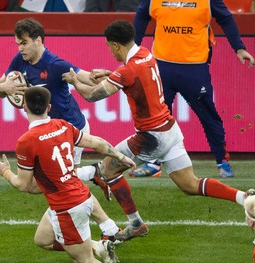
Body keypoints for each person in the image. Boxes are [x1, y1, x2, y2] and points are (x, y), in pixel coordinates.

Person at [63, 19, 253, 242]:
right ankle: (245, 198)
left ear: (115, 46)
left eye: (109, 46)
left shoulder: (127, 70)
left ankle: (135, 223)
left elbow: (93, 95)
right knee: (189, 184)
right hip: (170, 129)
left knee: (108, 169)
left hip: (150, 137)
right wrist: (108, 75)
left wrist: (75, 81)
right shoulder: (145, 53)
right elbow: (129, 77)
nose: (110, 50)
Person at [0, 86, 137, 263]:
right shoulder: (62, 125)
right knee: (42, 240)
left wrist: (5, 171)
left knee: (86, 262)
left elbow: (22, 184)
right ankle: (98, 246)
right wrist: (121, 156)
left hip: (67, 207)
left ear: (24, 107)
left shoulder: (26, 141)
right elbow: (96, 142)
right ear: (49, 107)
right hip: (77, 196)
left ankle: (95, 251)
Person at [0, 17, 116, 201]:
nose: (20, 48)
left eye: (24, 43)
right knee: (40, 184)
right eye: (18, 43)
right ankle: (94, 175)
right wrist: (4, 88)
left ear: (38, 40)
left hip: (71, 129)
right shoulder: (19, 60)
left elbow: (87, 77)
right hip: (49, 131)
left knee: (55, 183)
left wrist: (110, 77)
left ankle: (94, 175)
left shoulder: (55, 65)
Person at [130, 0, 255, 178]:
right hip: (161, 67)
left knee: (208, 116)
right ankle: (154, 163)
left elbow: (225, 18)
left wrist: (239, 47)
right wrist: (133, 48)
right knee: (156, 117)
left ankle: (222, 161)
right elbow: (142, 16)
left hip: (195, 68)